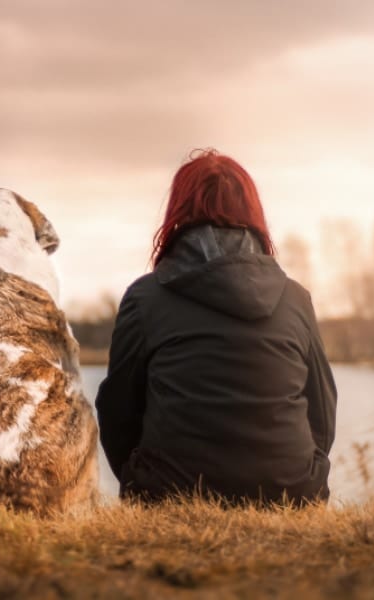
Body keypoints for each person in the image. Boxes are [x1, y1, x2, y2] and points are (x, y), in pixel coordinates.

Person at [95, 149, 337, 506]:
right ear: (253, 213)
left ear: (178, 212)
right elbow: (322, 410)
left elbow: (117, 412)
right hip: (291, 493)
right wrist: (301, 474)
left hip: (169, 494)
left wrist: (140, 479)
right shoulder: (295, 299)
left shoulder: (145, 298)